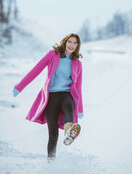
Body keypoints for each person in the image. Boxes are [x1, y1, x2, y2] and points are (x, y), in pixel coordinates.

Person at [12, 33, 84, 163]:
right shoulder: (52, 55)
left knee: (69, 105)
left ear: (77, 46)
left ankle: (69, 133)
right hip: (50, 98)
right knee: (53, 135)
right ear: (65, 42)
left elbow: (78, 88)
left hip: (67, 95)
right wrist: (19, 87)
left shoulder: (77, 63)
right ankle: (51, 162)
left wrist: (80, 109)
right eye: (70, 42)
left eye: (75, 43)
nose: (72, 45)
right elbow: (35, 70)